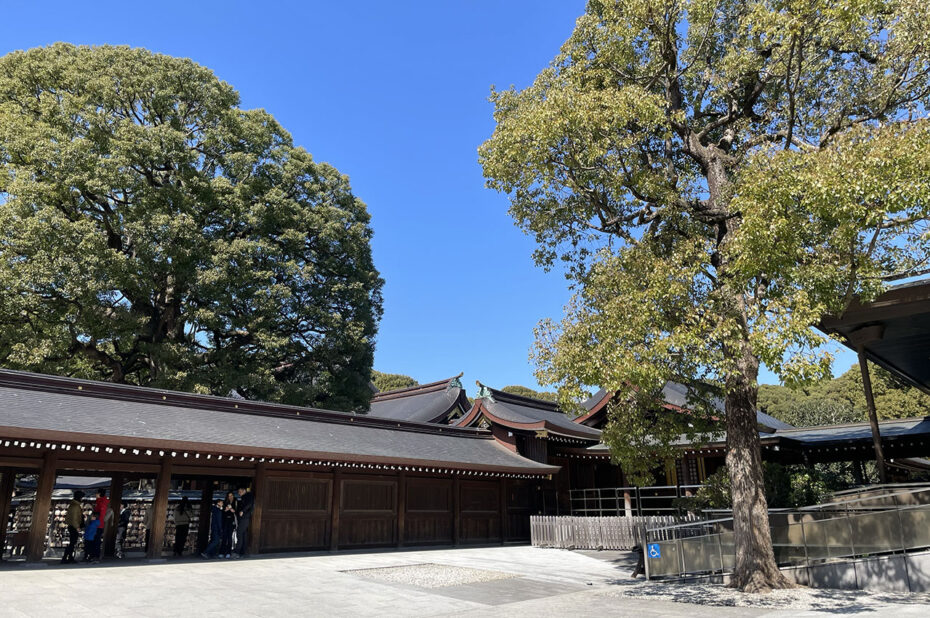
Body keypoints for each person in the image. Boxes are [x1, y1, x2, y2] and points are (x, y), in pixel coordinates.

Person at [61, 490, 84, 564]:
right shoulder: (75, 506)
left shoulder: (73, 505)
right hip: (73, 526)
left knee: (72, 543)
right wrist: (77, 526)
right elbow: (74, 518)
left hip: (71, 525)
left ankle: (69, 557)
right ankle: (66, 557)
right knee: (72, 543)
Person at [232, 485, 253, 558]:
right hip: (242, 518)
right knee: (243, 535)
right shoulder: (243, 497)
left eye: (240, 491)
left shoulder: (249, 496)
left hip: (245, 517)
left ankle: (237, 551)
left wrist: (243, 511)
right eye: (238, 492)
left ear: (244, 491)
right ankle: (243, 552)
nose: (239, 493)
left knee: (239, 533)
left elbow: (249, 504)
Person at [220, 493, 237, 558]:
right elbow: (222, 511)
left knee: (230, 537)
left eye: (232, 495)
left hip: (231, 521)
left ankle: (228, 552)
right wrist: (226, 509)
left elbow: (236, 511)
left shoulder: (235, 502)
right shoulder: (224, 503)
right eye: (229, 496)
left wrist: (232, 510)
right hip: (225, 521)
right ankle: (221, 552)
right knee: (224, 537)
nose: (230, 497)